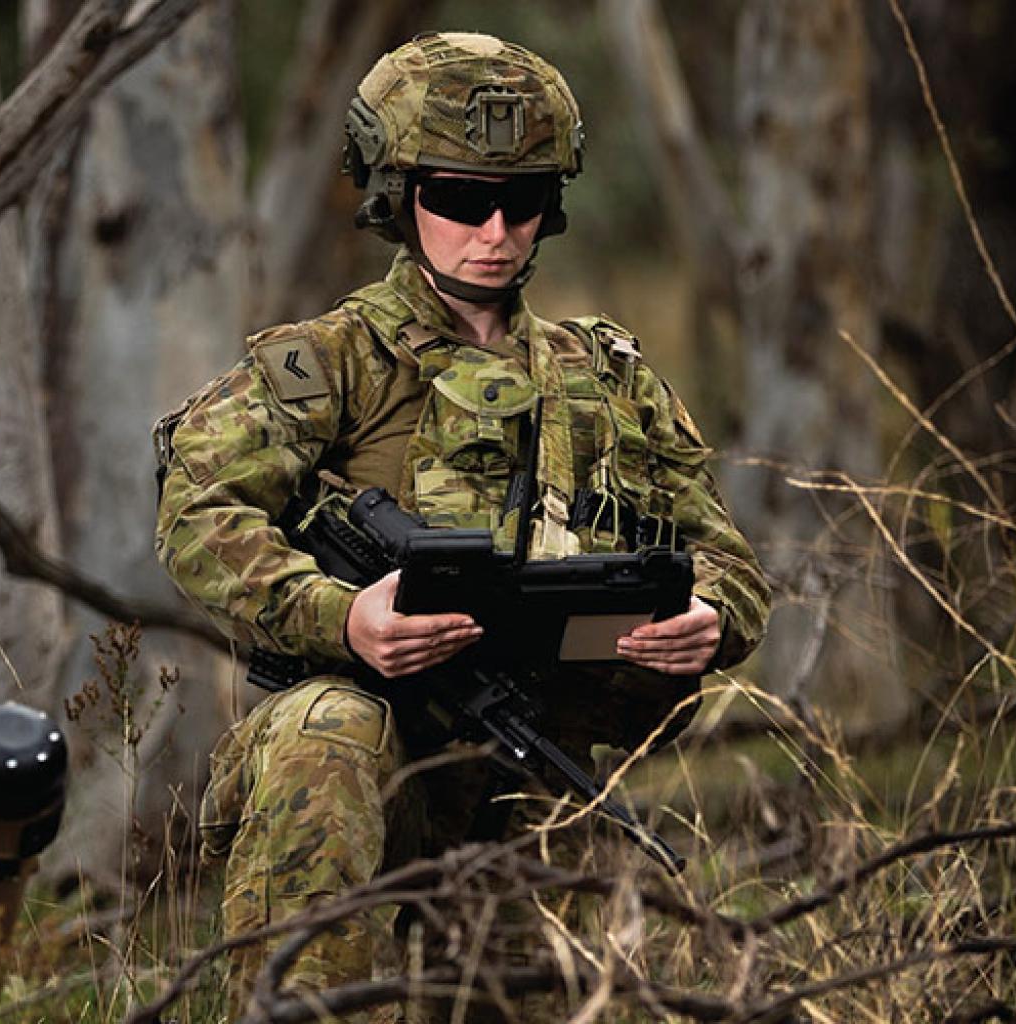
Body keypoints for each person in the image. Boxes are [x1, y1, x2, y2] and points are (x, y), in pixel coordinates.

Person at [152, 31, 770, 1017]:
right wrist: (338, 617)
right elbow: (197, 516)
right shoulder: (327, 363)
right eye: (457, 198)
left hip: (530, 749)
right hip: (361, 748)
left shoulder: (604, 379)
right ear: (396, 198)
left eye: (520, 201)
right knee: (330, 728)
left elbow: (724, 557)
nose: (493, 229)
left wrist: (706, 615)